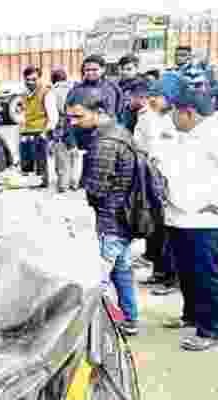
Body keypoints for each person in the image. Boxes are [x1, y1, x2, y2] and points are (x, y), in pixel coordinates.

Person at [155, 76, 218, 350]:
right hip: (180, 215)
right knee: (187, 271)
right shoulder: (186, 134)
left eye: (174, 112)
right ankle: (191, 316)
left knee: (204, 273)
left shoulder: (217, 135)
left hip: (205, 220)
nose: (171, 117)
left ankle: (212, 329)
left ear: (188, 112)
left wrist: (215, 201)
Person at [66, 90, 139, 336]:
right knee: (123, 272)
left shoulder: (105, 142)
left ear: (98, 113)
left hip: (111, 221)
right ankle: (129, 319)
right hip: (125, 219)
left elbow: (97, 188)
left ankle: (106, 324)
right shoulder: (120, 132)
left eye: (78, 117)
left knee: (100, 280)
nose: (74, 123)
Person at [132, 79, 179, 296]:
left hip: (165, 178)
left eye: (156, 96)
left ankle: (170, 278)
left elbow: (160, 149)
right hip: (151, 175)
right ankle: (160, 272)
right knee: (156, 228)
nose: (151, 99)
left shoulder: (174, 119)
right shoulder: (149, 116)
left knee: (167, 230)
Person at [18, 65, 58, 188]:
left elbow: (52, 115)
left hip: (41, 131)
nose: (30, 82)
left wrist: (46, 131)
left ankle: (42, 184)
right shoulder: (23, 94)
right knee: (26, 161)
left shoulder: (46, 92)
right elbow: (23, 113)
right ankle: (30, 183)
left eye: (34, 79)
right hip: (26, 131)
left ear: (39, 78)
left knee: (41, 161)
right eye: (27, 79)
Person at [50, 67, 81, 193]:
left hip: (61, 126)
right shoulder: (75, 88)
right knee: (75, 155)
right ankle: (75, 182)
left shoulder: (52, 92)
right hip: (76, 124)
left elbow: (52, 113)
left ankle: (63, 184)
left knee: (62, 156)